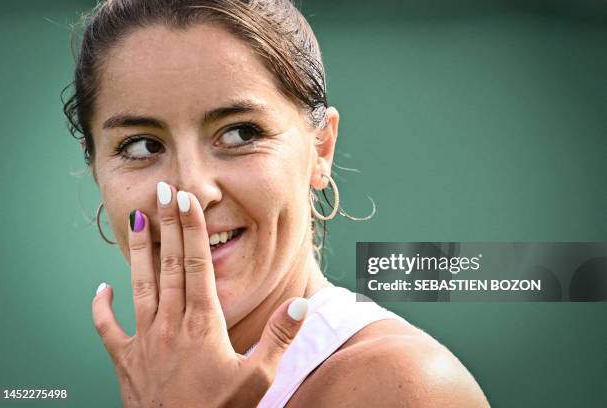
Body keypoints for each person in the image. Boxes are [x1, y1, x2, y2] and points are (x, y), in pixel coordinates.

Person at [63, 0, 489, 406]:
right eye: (141, 145)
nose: (191, 191)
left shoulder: (406, 387)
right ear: (97, 167)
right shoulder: (155, 379)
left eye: (241, 133)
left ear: (321, 149)